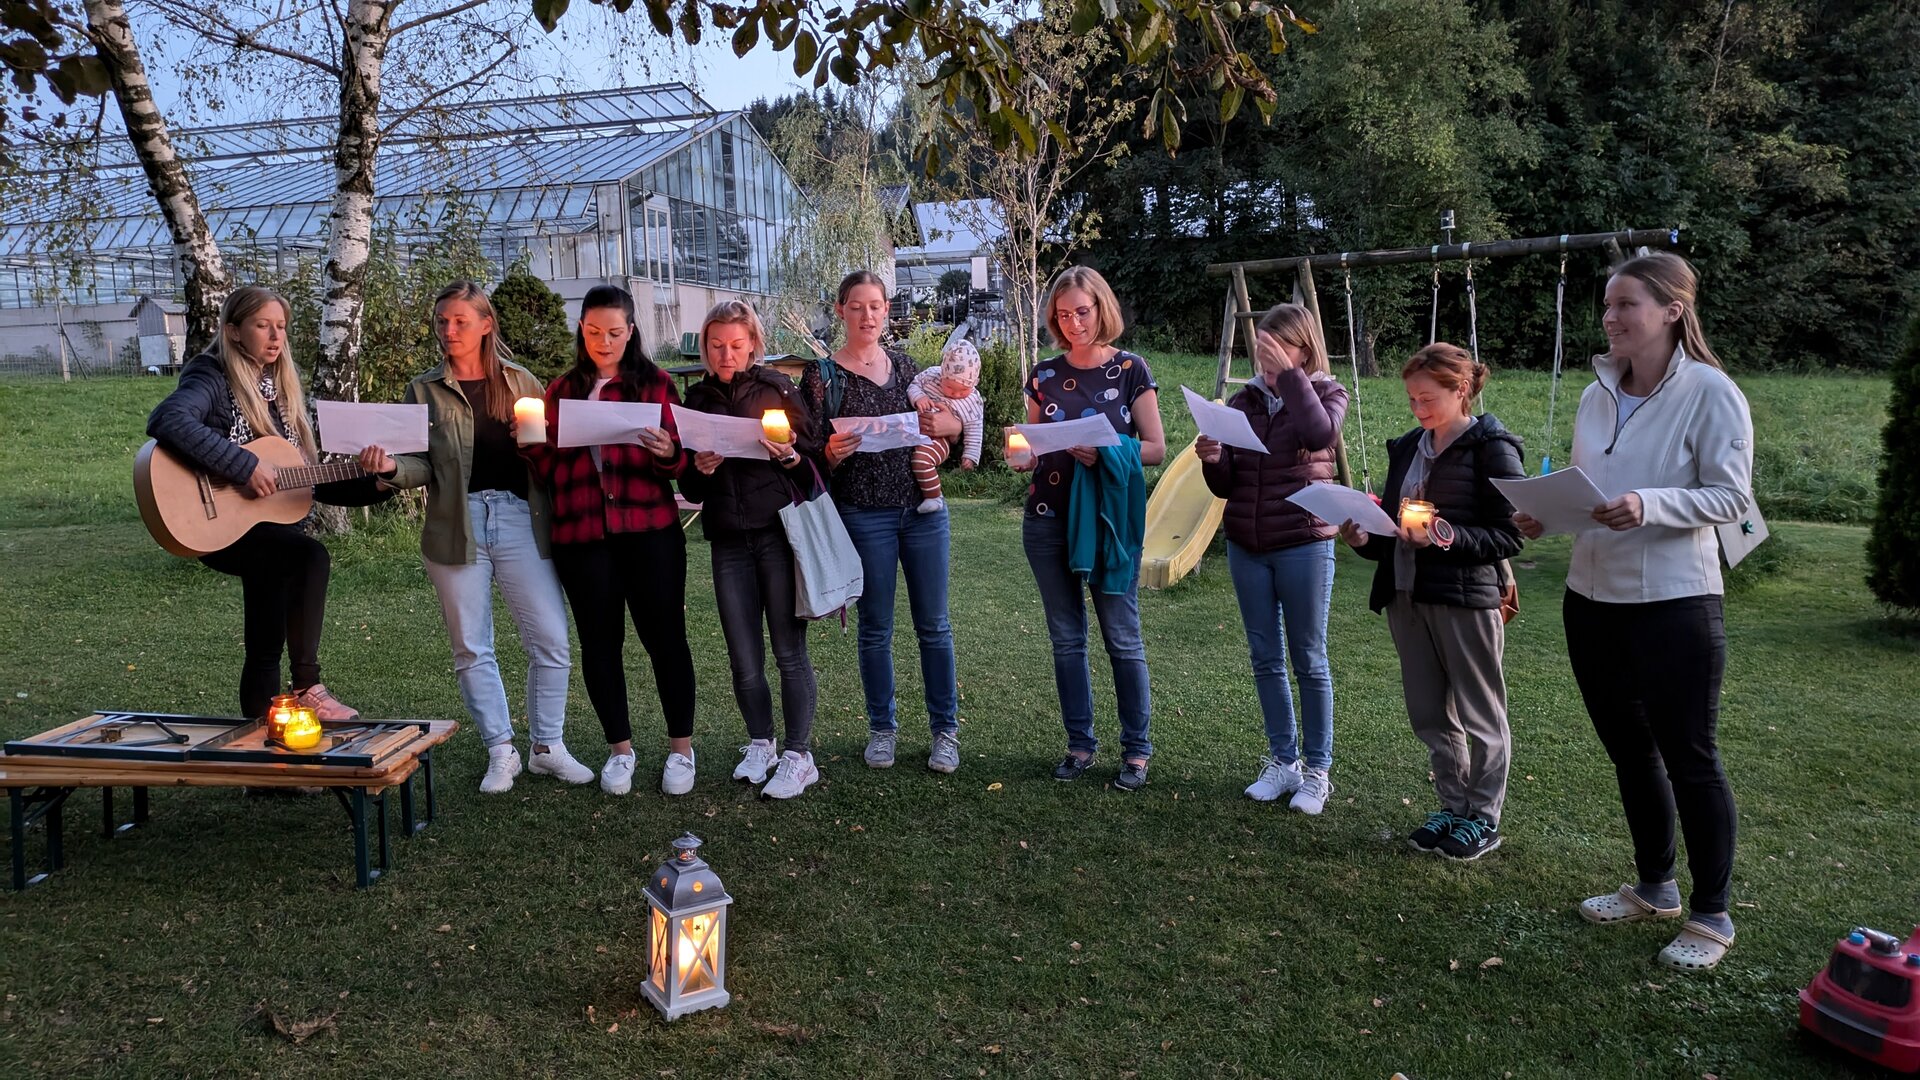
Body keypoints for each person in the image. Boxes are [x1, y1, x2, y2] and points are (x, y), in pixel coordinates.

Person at [1514, 252, 1753, 972]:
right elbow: (1591, 491)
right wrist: (1544, 515)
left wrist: (1649, 504)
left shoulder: (1710, 391)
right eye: (1608, 305)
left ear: (1673, 311)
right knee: (1630, 752)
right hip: (1591, 601)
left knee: (1691, 758)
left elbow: (1731, 498)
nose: (1611, 317)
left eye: (1627, 305)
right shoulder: (1598, 394)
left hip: (1675, 605)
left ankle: (1712, 914)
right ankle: (1655, 887)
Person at [361, 282, 576, 795]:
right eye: (442, 321)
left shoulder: (521, 381)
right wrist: (390, 467)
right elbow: (420, 464)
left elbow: (549, 454)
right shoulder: (423, 390)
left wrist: (541, 449)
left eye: (460, 320)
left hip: (520, 517)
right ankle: (501, 750)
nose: (449, 330)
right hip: (457, 522)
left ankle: (547, 747)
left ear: (485, 324)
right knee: (472, 646)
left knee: (551, 640)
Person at [145, 286, 389, 721]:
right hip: (213, 521)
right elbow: (168, 419)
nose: (276, 337)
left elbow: (306, 483)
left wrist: (383, 480)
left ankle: (260, 737)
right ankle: (308, 685)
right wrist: (243, 467)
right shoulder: (211, 375)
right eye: (263, 326)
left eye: (281, 327)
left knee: (265, 640)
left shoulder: (278, 389)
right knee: (309, 557)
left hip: (266, 529)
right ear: (233, 331)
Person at [1340, 343, 1524, 858]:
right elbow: (1392, 531)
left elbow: (1509, 536)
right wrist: (1363, 539)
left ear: (1461, 390)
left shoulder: (1492, 449)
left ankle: (1483, 816)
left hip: (1465, 599)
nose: (1417, 408)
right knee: (1429, 712)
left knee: (1480, 711)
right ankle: (1453, 805)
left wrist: (1444, 535)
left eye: (1427, 398)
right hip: (1406, 596)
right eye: (1411, 399)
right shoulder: (1408, 447)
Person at [521, 285, 699, 797]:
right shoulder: (559, 391)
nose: (604, 342)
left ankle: (681, 750)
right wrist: (532, 446)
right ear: (582, 329)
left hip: (649, 531)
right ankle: (620, 751)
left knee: (666, 639)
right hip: (582, 536)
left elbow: (682, 462)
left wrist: (667, 452)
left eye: (615, 333)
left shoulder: (656, 383)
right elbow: (549, 471)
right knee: (600, 644)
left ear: (631, 331)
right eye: (594, 331)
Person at [799, 270, 965, 774]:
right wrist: (830, 453)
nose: (867, 315)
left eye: (875, 306)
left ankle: (945, 732)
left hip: (922, 511)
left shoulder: (910, 368)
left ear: (886, 310)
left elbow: (951, 425)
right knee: (875, 628)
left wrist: (950, 424)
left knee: (934, 625)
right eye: (856, 306)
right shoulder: (821, 377)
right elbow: (808, 455)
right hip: (863, 514)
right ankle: (882, 729)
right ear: (840, 310)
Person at [1015, 266, 1167, 791]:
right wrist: (1023, 454)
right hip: (1047, 518)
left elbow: (1155, 448)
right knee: (1066, 639)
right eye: (1063, 315)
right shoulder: (1044, 375)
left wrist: (1107, 451)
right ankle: (1079, 744)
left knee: (1121, 638)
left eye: (1082, 311)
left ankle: (1137, 751)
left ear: (1102, 308)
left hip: (1107, 522)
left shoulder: (1130, 369)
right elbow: (1031, 443)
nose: (1074, 323)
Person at [1197, 302, 1349, 814]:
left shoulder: (1327, 392)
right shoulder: (1243, 401)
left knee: (1309, 658)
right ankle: (1284, 763)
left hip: (1304, 542)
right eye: (1262, 347)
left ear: (1303, 349)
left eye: (1278, 347)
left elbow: (1319, 435)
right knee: (1265, 658)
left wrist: (1289, 378)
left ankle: (1317, 771)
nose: (1266, 356)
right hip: (1248, 545)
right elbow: (1228, 484)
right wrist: (1214, 459)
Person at [680, 300, 822, 799]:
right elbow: (689, 489)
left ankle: (800, 755)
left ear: (753, 345)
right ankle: (761, 742)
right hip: (727, 541)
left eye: (736, 345)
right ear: (706, 347)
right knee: (743, 657)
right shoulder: (696, 399)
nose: (726, 354)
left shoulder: (777, 388)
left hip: (777, 535)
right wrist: (699, 469)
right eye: (716, 345)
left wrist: (788, 455)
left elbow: (811, 462)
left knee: (788, 650)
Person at [906, 338, 985, 514]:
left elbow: (975, 428)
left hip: (939, 439)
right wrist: (919, 397)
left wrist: (970, 456)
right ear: (942, 376)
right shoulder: (930, 377)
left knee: (921, 460)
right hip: (913, 429)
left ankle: (933, 497)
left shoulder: (972, 401)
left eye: (963, 390)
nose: (955, 394)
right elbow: (914, 385)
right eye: (950, 387)